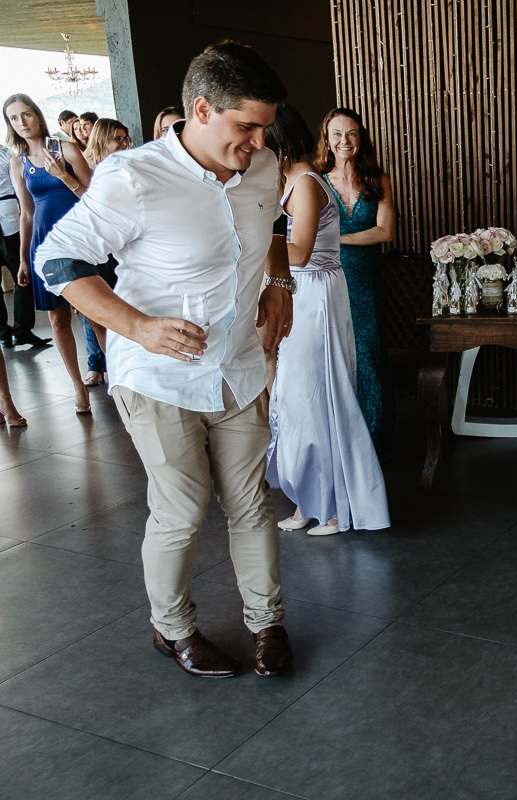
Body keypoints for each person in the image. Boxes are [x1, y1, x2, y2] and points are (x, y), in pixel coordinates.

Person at [34, 42, 297, 680]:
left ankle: (267, 623)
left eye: (265, 128)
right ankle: (172, 629)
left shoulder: (262, 166)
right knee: (181, 509)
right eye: (247, 126)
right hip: (157, 377)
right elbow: (56, 260)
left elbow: (273, 225)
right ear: (202, 110)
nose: (260, 141)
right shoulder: (133, 177)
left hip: (236, 368)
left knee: (252, 503)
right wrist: (137, 327)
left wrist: (278, 282)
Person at [264, 104, 389, 537]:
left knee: (319, 396)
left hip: (315, 293)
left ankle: (335, 508)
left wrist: (249, 236)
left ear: (278, 142)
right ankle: (308, 499)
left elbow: (299, 253)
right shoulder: (290, 179)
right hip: (301, 290)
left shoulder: (305, 183)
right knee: (297, 398)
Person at [4, 94, 93, 412]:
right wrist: (23, 259)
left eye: (26, 114)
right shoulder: (18, 162)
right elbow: (26, 213)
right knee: (57, 319)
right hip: (43, 243)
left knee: (96, 314)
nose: (22, 122)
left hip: (79, 239)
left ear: (38, 116)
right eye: (14, 118)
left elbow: (94, 197)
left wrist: (64, 176)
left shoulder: (65, 149)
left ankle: (119, 380)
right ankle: (78, 387)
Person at [314, 107, 395, 454]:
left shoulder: (378, 180)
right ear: (327, 139)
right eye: (337, 134)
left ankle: (373, 443)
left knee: (369, 356)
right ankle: (340, 444)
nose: (344, 141)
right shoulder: (317, 182)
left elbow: (385, 231)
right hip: (328, 280)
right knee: (334, 357)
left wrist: (337, 239)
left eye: (351, 133)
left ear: (360, 139)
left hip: (366, 281)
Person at [78, 118, 132, 385]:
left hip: (123, 244)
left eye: (125, 138)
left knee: (125, 308)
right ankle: (109, 365)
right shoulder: (85, 168)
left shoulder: (129, 166)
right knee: (97, 313)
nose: (123, 143)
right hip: (95, 244)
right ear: (102, 139)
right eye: (117, 139)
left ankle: (126, 367)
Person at [1, 142, 49, 349]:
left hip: (9, 217)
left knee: (22, 274)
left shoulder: (7, 155)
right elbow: (20, 189)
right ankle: (20, 331)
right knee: (22, 274)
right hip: (10, 218)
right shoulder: (6, 155)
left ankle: (5, 333)